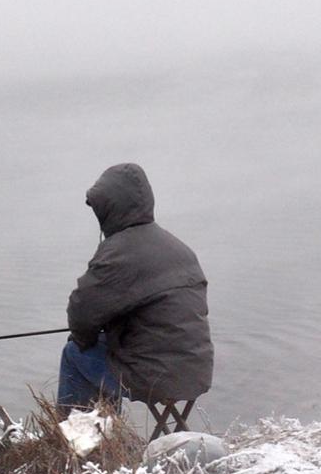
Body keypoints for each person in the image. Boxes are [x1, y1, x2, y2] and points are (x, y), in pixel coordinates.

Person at [60, 163, 213, 415]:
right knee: (103, 348)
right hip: (195, 373)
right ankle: (107, 429)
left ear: (109, 208)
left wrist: (84, 338)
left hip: (153, 378)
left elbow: (82, 313)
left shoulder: (119, 253)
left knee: (75, 352)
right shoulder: (178, 248)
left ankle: (77, 432)